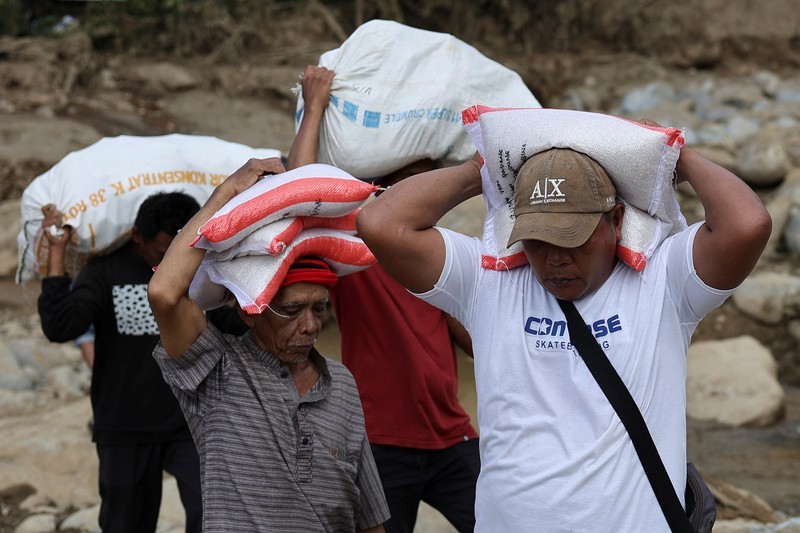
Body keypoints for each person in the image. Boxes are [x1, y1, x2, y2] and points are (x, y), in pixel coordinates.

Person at [356, 124, 772, 532]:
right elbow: (381, 224)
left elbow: (747, 224)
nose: (555, 259)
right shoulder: (489, 281)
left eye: (572, 239)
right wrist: (481, 167)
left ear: (616, 220)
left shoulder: (662, 280)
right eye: (537, 241)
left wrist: (676, 158)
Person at [147, 157, 390, 533]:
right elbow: (164, 294)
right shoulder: (216, 372)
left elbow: (370, 514)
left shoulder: (341, 383)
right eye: (292, 310)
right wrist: (225, 195)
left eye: (319, 308)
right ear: (250, 312)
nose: (310, 326)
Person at [288, 65, 480, 533]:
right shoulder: (356, 247)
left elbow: (472, 339)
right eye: (415, 180)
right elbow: (299, 193)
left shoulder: (441, 251)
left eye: (432, 179)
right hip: (379, 446)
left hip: (452, 436)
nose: (427, 190)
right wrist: (314, 107)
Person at [37, 192, 205, 533]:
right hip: (125, 427)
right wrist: (57, 252)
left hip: (190, 423)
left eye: (180, 248)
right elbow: (60, 327)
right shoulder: (104, 272)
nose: (173, 259)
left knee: (215, 515)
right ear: (137, 236)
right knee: (125, 525)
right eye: (162, 252)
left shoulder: (199, 270)